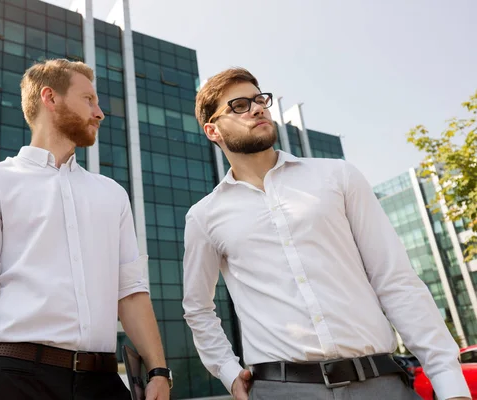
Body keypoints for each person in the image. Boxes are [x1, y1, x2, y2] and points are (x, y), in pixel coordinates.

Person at [182, 67, 470, 400]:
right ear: (212, 130)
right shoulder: (204, 217)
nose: (258, 108)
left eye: (260, 99)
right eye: (240, 105)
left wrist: (450, 385)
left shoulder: (338, 176)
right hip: (281, 390)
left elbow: (396, 281)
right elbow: (198, 309)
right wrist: (229, 372)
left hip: (380, 383)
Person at [0, 59, 172, 400]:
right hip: (16, 379)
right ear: (50, 97)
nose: (100, 112)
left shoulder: (113, 194)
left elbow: (131, 291)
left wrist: (159, 371)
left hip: (103, 382)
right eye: (89, 99)